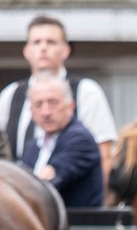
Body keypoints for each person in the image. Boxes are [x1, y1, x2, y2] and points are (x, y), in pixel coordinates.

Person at [0, 15, 117, 179]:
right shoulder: (11, 94)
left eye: (51, 42)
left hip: (72, 199)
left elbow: (104, 155)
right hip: (18, 194)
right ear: (26, 51)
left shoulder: (86, 91)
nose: (43, 48)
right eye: (36, 42)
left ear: (65, 50)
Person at [21, 74, 104, 211]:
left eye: (52, 103)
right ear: (31, 111)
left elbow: (48, 181)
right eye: (38, 104)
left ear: (70, 106)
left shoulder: (80, 139)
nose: (45, 112)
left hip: (76, 229)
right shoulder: (34, 145)